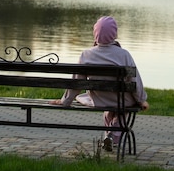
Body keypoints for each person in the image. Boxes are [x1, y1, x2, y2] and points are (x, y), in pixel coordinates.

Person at [50, 15, 149, 151]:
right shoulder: (123, 55)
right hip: (122, 100)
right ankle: (113, 134)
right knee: (122, 109)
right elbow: (134, 81)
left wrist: (65, 101)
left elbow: (76, 83)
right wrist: (141, 100)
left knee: (108, 110)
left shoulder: (86, 55)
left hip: (100, 99)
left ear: (95, 34)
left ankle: (109, 136)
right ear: (114, 34)